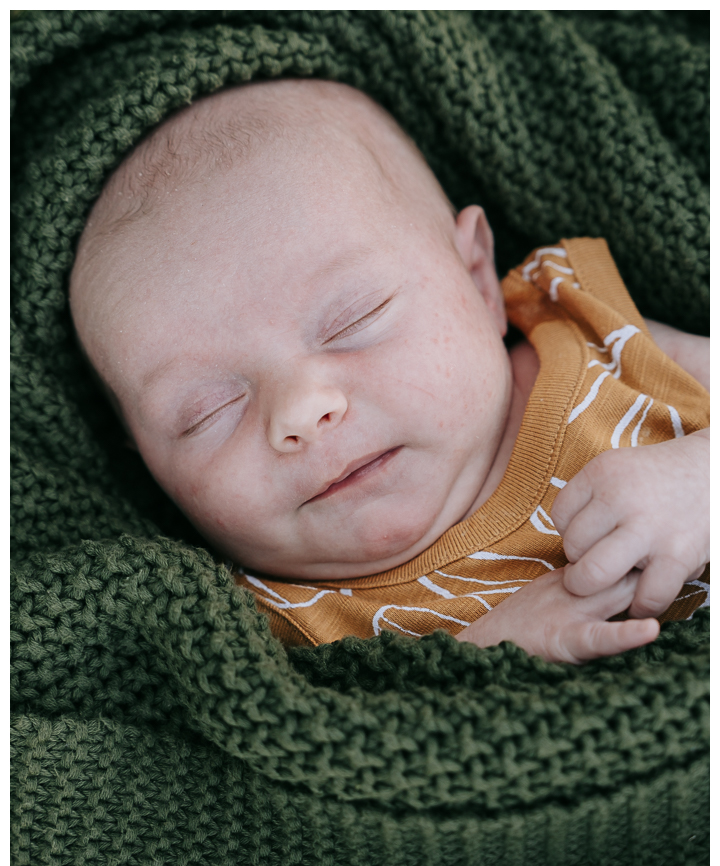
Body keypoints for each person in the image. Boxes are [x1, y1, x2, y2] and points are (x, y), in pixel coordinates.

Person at [69, 79, 709, 663]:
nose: (301, 410)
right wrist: (479, 659)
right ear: (144, 465)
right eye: (205, 411)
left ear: (479, 279)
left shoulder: (596, 338)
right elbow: (315, 764)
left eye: (352, 319)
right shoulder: (271, 630)